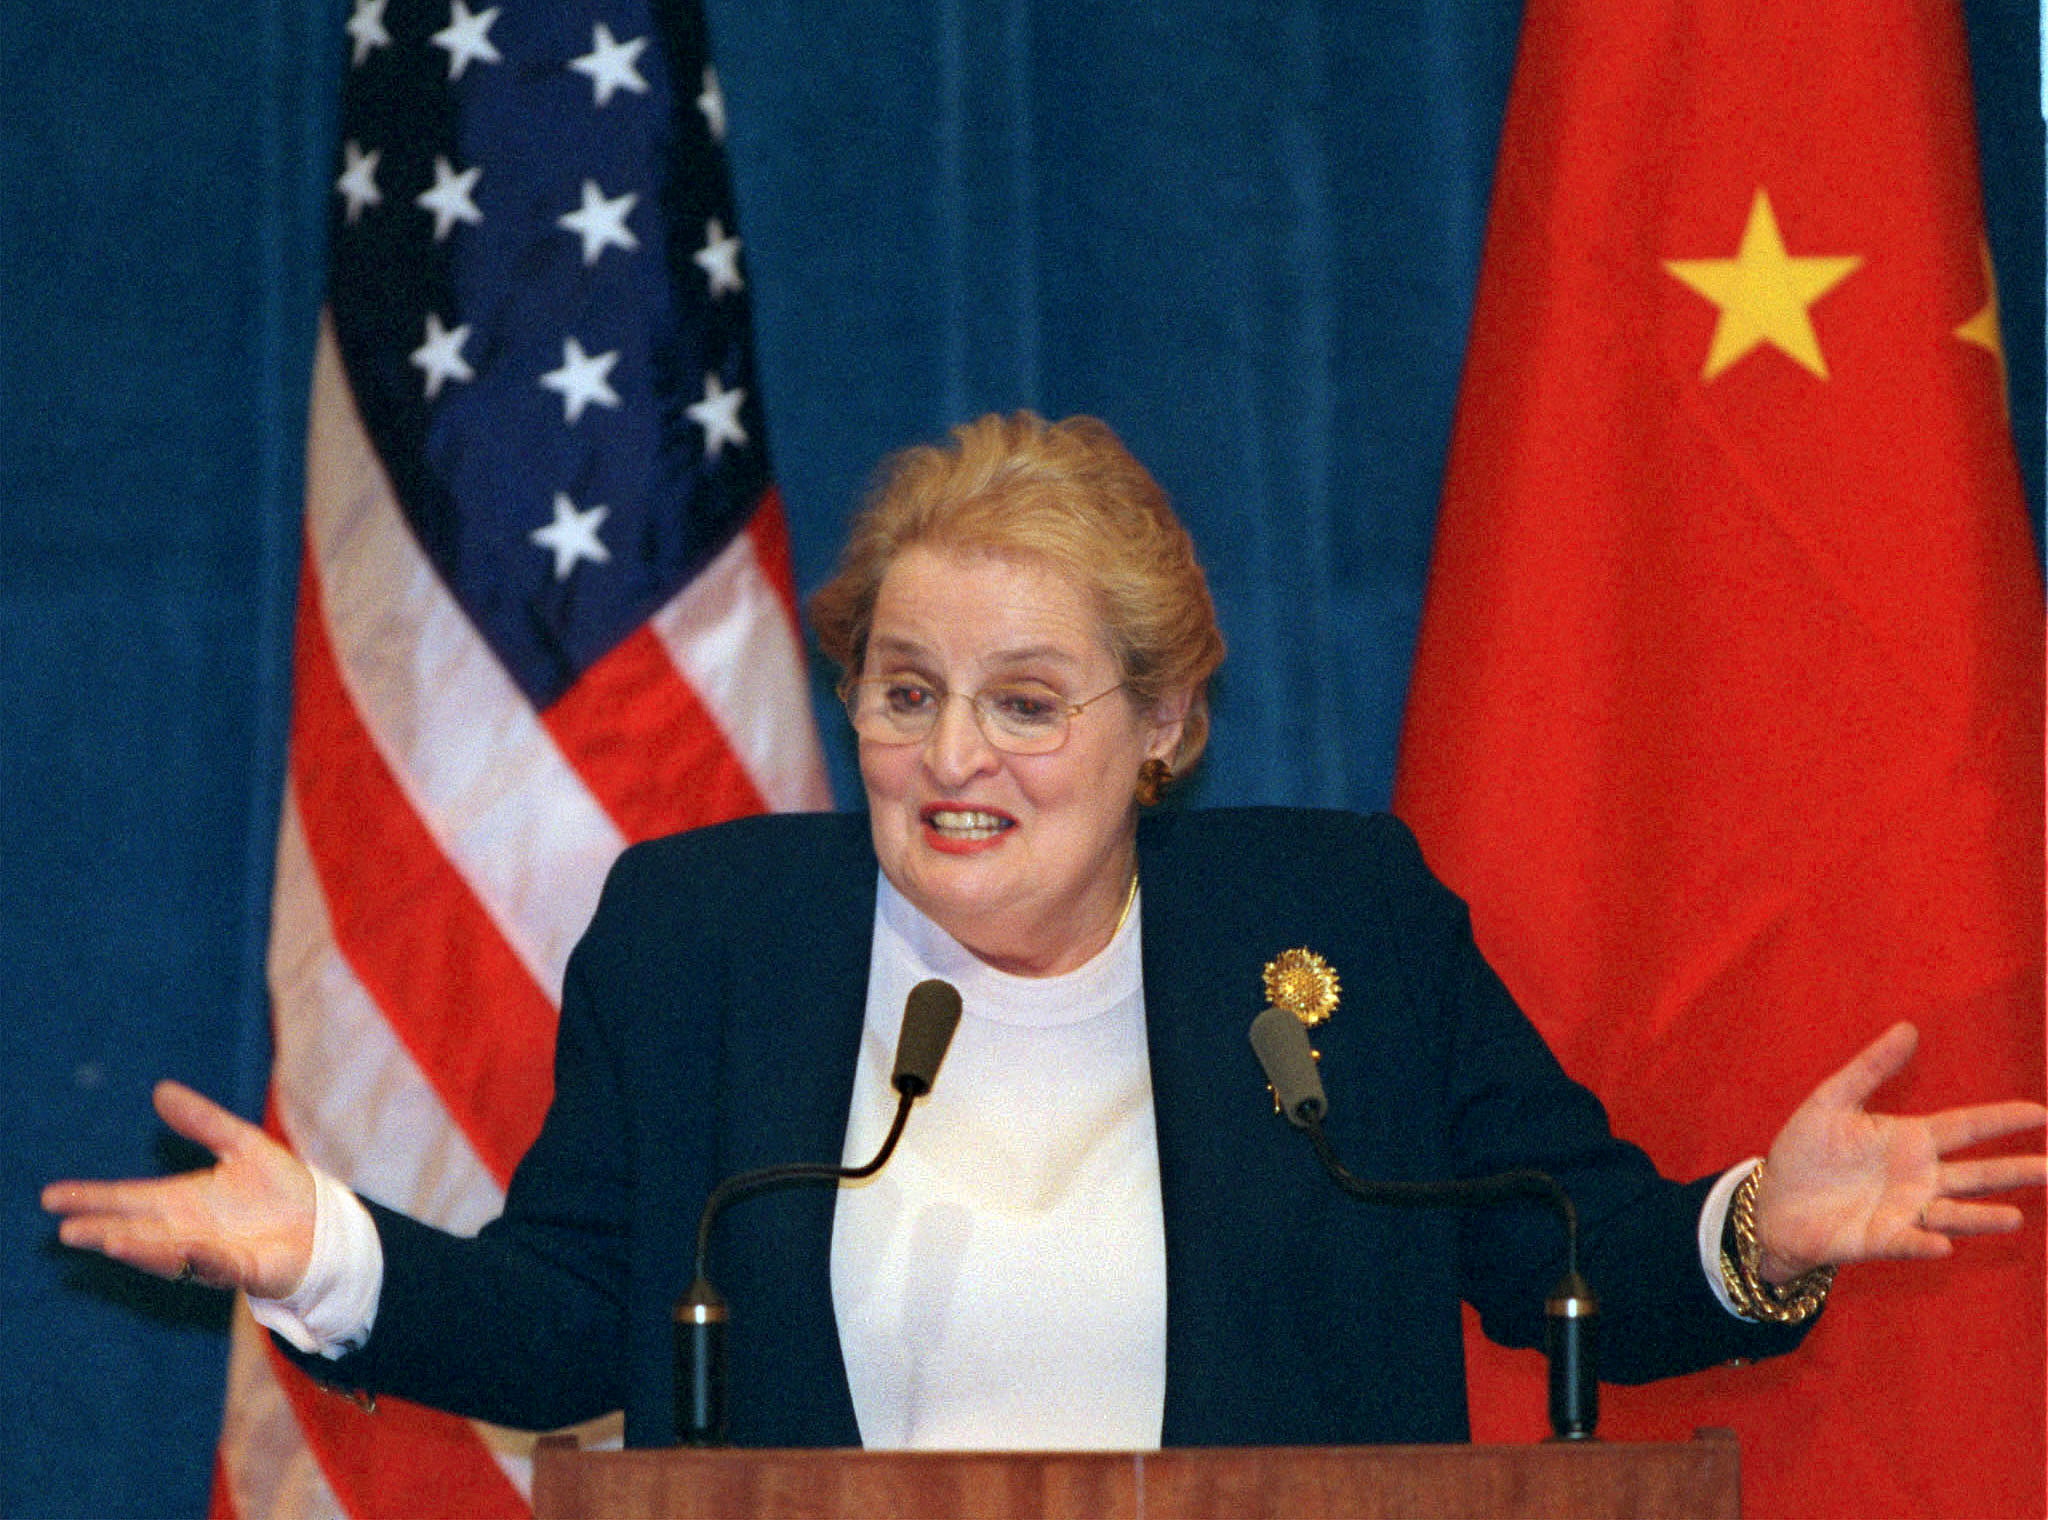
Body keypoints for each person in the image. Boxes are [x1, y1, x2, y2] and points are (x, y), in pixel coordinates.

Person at [45, 413, 2047, 1450]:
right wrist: (325, 1251)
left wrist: (1757, 1231)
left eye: (1024, 697)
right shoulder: (705, 934)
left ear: (1162, 723)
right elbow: (586, 1317)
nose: (950, 754)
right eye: (901, 689)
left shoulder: (1327, 929)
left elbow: (1560, 1261)